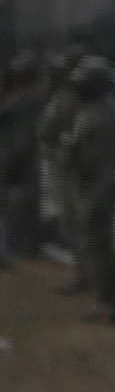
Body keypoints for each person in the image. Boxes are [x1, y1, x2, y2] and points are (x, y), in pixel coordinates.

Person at [62, 56, 115, 313]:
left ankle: (106, 299)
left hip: (98, 186)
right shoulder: (89, 110)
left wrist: (72, 150)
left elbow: (94, 156)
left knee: (99, 245)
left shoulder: (101, 114)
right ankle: (98, 291)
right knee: (90, 243)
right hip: (88, 184)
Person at [38, 48, 86, 291]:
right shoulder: (63, 97)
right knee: (72, 224)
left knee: (76, 224)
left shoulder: (69, 100)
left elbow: (59, 136)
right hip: (63, 166)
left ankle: (83, 276)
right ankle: (82, 274)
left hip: (69, 170)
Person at [1, 52, 49, 267]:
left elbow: (20, 139)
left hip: (18, 160)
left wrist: (10, 164)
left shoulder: (20, 101)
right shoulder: (30, 98)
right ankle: (23, 246)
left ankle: (20, 248)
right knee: (22, 204)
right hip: (23, 160)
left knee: (17, 205)